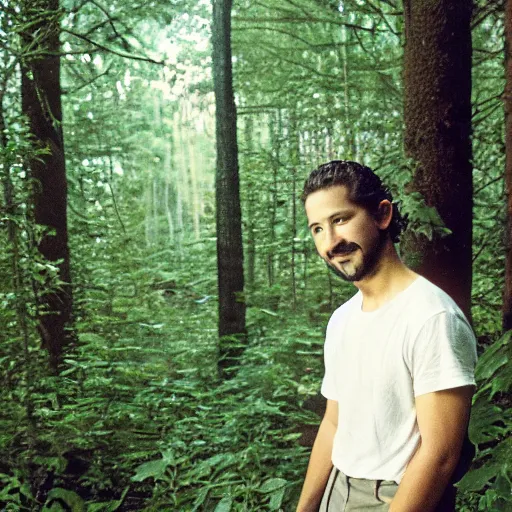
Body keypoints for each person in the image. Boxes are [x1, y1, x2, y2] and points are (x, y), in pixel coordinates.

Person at [296, 161, 477, 512]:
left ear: (382, 215)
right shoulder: (341, 320)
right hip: (337, 489)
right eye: (317, 229)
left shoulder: (432, 316)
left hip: (398, 496)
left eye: (340, 220)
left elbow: (440, 455)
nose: (330, 242)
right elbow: (334, 422)